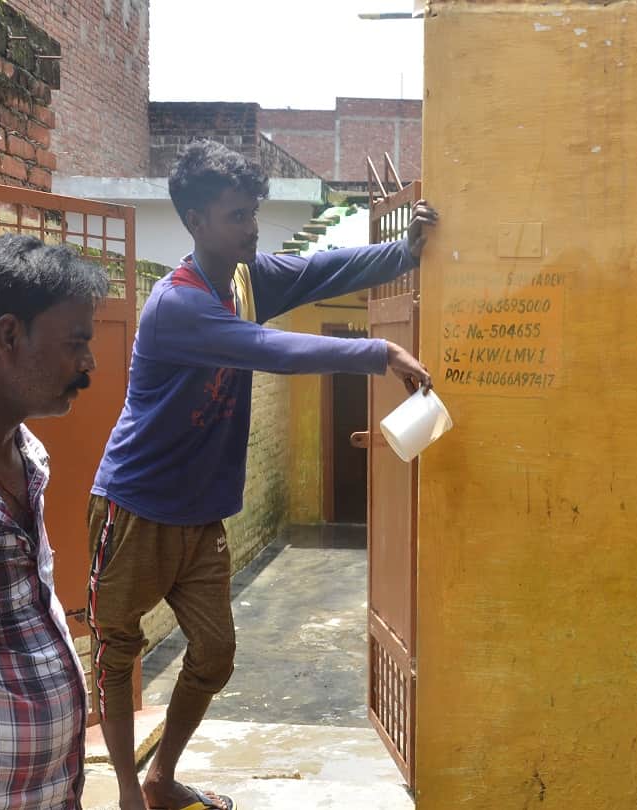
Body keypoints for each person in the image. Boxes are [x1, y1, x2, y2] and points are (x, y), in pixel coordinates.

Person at [86, 139, 436, 810]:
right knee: (118, 651)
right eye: (236, 216)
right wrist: (378, 352)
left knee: (214, 655)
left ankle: (161, 779)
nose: (251, 228)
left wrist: (403, 253)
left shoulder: (247, 278)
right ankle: (130, 792)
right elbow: (268, 350)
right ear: (195, 220)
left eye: (253, 213)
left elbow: (320, 269)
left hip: (201, 513)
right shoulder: (177, 304)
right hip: (135, 506)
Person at [0, 234, 108, 807]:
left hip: (48, 790)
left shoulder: (28, 455)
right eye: (75, 343)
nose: (89, 363)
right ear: (10, 336)